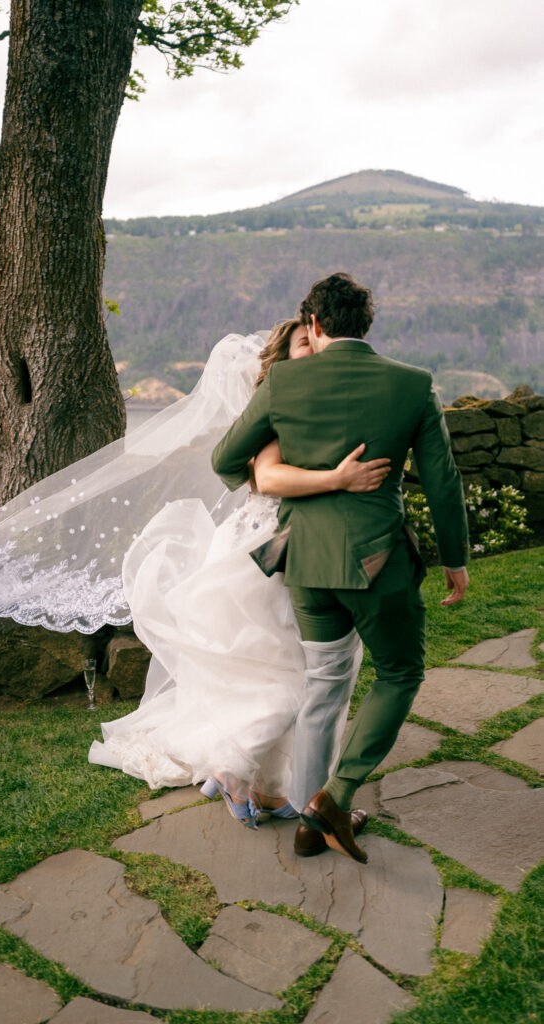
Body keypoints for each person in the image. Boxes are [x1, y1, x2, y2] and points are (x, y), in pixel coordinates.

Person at [90, 320, 389, 836]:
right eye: (304, 343)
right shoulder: (276, 405)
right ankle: (236, 767)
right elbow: (267, 476)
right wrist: (339, 479)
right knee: (301, 675)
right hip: (268, 550)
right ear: (280, 357)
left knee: (275, 671)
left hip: (289, 544)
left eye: (317, 341)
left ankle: (272, 789)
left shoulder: (318, 401)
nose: (316, 348)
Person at [212, 272, 469, 862]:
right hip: (379, 564)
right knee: (401, 672)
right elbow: (443, 481)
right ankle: (338, 792)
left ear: (317, 324)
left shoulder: (284, 381)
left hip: (303, 561)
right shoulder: (413, 385)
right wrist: (455, 557)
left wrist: (296, 480)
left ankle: (311, 817)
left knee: (324, 684)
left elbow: (226, 458)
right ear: (365, 325)